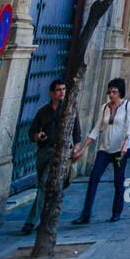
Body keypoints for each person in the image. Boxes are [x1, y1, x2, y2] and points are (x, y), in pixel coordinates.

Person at [21, 79, 81, 235]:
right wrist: (37, 136)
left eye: (64, 89)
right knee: (45, 186)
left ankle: (30, 221)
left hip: (60, 153)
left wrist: (75, 150)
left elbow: (77, 132)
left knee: (42, 184)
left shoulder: (69, 110)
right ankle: (45, 217)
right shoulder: (43, 111)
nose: (62, 92)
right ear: (51, 93)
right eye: (59, 90)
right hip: (43, 152)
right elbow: (32, 131)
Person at [72, 78, 130, 224]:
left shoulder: (127, 105)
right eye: (110, 91)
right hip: (104, 149)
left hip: (120, 150)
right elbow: (96, 129)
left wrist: (126, 143)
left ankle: (116, 212)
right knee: (94, 178)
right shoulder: (104, 108)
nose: (111, 94)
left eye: (114, 92)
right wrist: (82, 149)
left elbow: (129, 125)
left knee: (119, 181)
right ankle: (86, 214)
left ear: (120, 93)